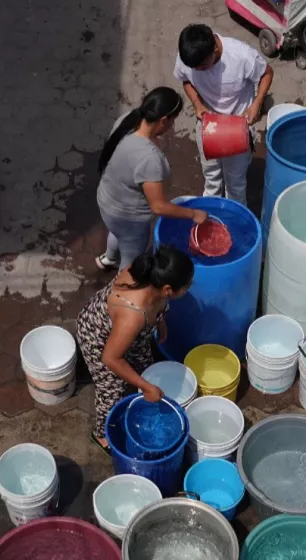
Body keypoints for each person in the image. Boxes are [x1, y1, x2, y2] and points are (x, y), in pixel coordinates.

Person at [76, 246, 195, 451]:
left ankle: (141, 385)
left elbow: (159, 305)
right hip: (97, 337)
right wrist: (148, 388)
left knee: (145, 366)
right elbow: (111, 359)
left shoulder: (150, 273)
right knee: (112, 388)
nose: (190, 287)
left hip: (129, 333)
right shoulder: (133, 315)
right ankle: (100, 435)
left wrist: (160, 323)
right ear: (168, 289)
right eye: (187, 285)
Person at [95, 87, 208, 271]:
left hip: (108, 204)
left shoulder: (127, 120)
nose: (172, 125)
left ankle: (109, 259)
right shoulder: (149, 159)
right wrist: (194, 214)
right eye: (173, 120)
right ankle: (120, 290)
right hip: (130, 219)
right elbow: (159, 206)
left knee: (117, 233)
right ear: (164, 120)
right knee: (132, 262)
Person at [174, 24, 274, 204]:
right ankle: (211, 215)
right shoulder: (188, 57)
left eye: (203, 67)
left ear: (215, 49)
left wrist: (257, 103)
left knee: (235, 184)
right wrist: (197, 104)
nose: (198, 71)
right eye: (194, 68)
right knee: (211, 179)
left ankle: (234, 221)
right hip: (207, 126)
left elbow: (266, 73)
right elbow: (185, 80)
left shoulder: (241, 56)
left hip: (237, 128)